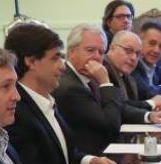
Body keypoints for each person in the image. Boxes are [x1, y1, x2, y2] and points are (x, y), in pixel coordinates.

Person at [4, 19, 145, 164]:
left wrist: (90, 161)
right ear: (31, 61)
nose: (62, 66)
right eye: (56, 58)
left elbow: (63, 153)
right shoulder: (16, 111)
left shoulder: (45, 99)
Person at [52, 23, 128, 155]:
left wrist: (148, 115)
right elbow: (111, 125)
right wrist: (105, 82)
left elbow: (118, 106)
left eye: (101, 52)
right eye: (90, 50)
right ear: (71, 51)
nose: (97, 57)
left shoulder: (88, 77)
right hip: (90, 159)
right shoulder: (71, 87)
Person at [104, 30, 161, 123]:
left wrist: (157, 106)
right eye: (128, 50)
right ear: (112, 48)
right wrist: (152, 104)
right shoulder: (103, 70)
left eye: (137, 54)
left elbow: (142, 96)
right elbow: (120, 106)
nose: (133, 58)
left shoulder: (126, 74)